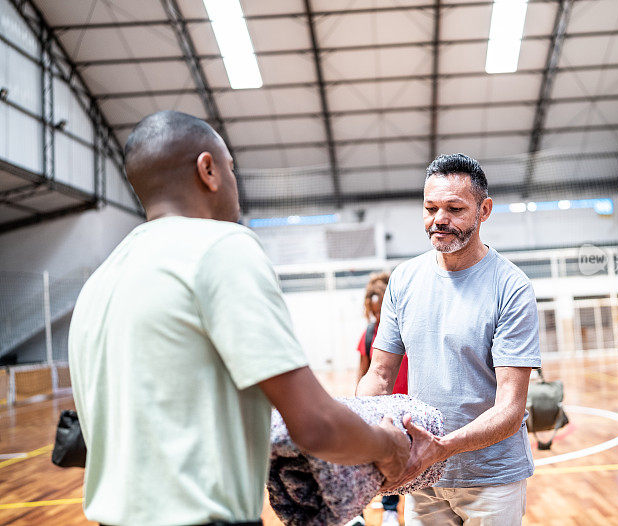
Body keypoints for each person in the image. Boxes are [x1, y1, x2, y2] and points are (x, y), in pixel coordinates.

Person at [68, 111, 409, 526]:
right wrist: (388, 447)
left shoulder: (99, 282)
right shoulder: (221, 247)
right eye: (231, 168)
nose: (235, 185)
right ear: (207, 169)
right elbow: (316, 426)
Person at [356, 153, 540, 525]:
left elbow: (510, 408)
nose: (439, 219)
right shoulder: (404, 280)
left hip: (491, 478)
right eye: (430, 208)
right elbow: (378, 375)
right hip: (422, 475)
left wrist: (440, 448)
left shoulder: (511, 287)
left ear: (483, 210)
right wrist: (366, 427)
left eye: (454, 208)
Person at [355, 272, 408, 526]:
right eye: (373, 312)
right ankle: (368, 511)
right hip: (379, 406)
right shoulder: (367, 336)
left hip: (408, 405)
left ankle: (392, 508)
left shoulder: (406, 330)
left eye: (381, 311)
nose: (378, 317)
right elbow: (362, 373)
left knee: (404, 460)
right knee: (379, 458)